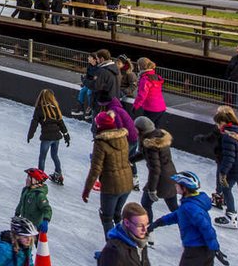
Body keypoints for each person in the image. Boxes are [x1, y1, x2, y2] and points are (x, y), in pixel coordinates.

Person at [148, 171, 226, 266]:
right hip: (201, 250)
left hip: (196, 251)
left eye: (177, 185)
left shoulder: (190, 207)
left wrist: (215, 248)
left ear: (184, 188)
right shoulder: (191, 202)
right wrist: (158, 223)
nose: (175, 186)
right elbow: (178, 215)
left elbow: (206, 227)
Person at [82, 110, 134, 238]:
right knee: (117, 215)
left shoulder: (101, 143)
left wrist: (87, 189)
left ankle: (113, 250)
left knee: (106, 217)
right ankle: (125, 244)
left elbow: (95, 169)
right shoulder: (123, 137)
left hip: (111, 186)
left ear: (99, 126)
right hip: (127, 182)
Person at [212, 107, 238, 229]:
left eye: (218, 124)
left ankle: (231, 217)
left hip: (235, 170)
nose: (218, 127)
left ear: (223, 123)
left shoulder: (228, 137)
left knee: (226, 189)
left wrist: (223, 173)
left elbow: (229, 158)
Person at [132, 116, 179, 222]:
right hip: (171, 176)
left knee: (145, 203)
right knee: (174, 207)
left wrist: (152, 189)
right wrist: (130, 160)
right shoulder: (158, 136)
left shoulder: (150, 144)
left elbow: (155, 169)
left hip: (161, 179)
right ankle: (190, 224)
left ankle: (148, 229)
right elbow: (144, 154)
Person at [27, 89, 69, 185]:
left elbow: (34, 123)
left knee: (42, 157)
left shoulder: (39, 109)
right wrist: (66, 135)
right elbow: (61, 123)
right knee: (54, 155)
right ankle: (59, 174)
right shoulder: (55, 108)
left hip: (47, 138)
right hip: (56, 137)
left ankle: (39, 177)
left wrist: (30, 134)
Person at [14, 168, 52, 233]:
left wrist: (45, 221)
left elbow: (47, 209)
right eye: (27, 177)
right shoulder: (25, 190)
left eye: (29, 178)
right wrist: (17, 214)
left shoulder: (39, 195)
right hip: (25, 224)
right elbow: (21, 203)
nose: (26, 180)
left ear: (36, 181)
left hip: (35, 227)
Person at [133, 58, 167, 128]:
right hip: (161, 107)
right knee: (155, 129)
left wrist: (135, 106)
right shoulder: (155, 76)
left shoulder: (145, 79)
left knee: (146, 129)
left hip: (151, 108)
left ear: (141, 67)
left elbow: (142, 95)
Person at [72, 53, 100, 120]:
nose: (88, 58)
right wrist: (83, 82)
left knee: (89, 93)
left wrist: (88, 83)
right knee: (82, 91)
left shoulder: (98, 67)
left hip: (94, 85)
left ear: (94, 59)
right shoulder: (89, 66)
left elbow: (96, 79)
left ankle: (90, 108)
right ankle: (80, 109)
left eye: (89, 57)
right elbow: (87, 76)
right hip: (89, 83)